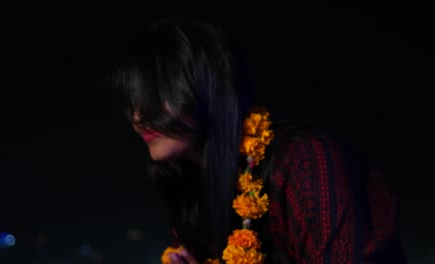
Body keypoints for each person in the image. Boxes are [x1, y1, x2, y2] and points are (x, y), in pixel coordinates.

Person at [112, 17, 407, 263]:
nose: (138, 117)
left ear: (207, 89)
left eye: (154, 98)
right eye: (134, 103)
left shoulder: (304, 162)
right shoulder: (187, 185)